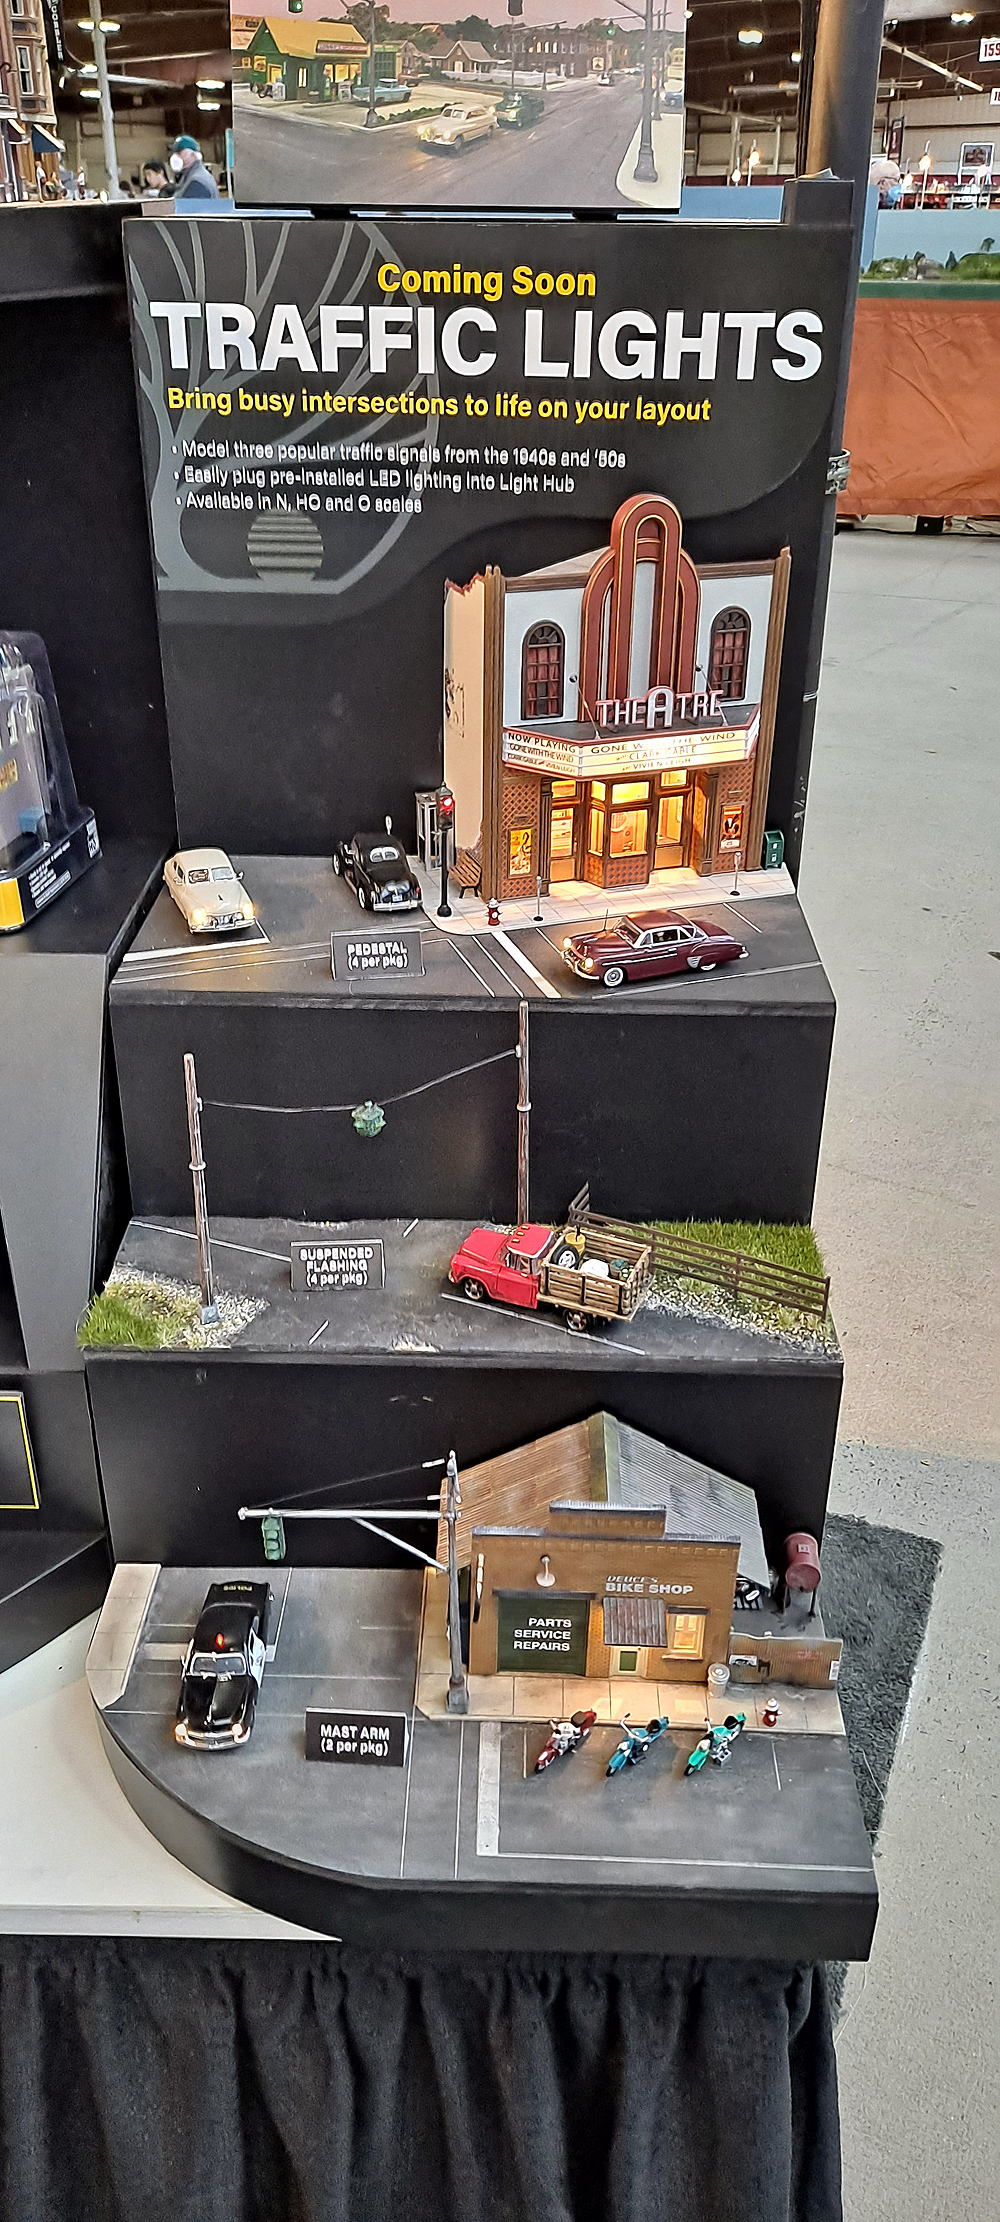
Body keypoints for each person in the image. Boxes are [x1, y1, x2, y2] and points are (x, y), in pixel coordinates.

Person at [168, 136, 220, 201]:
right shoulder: (191, 176)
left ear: (192, 154)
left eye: (179, 153)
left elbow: (184, 208)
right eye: (174, 152)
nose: (175, 156)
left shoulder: (196, 182)